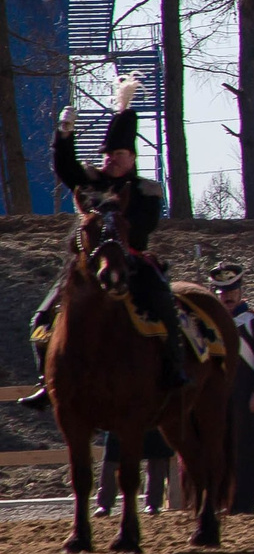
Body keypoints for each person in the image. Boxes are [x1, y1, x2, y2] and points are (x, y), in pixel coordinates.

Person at [30, 78, 193, 405]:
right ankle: (47, 382)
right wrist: (64, 134)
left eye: (119, 153)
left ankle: (174, 366)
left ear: (132, 156)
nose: (111, 159)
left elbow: (145, 225)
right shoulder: (91, 181)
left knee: (163, 302)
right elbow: (64, 166)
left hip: (131, 260)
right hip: (88, 264)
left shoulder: (147, 190)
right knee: (41, 318)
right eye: (108, 153)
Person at [211, 264, 254, 515]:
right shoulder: (211, 322)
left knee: (250, 447)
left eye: (231, 290)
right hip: (218, 395)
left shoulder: (253, 322)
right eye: (221, 291)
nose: (227, 296)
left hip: (245, 394)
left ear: (240, 292)